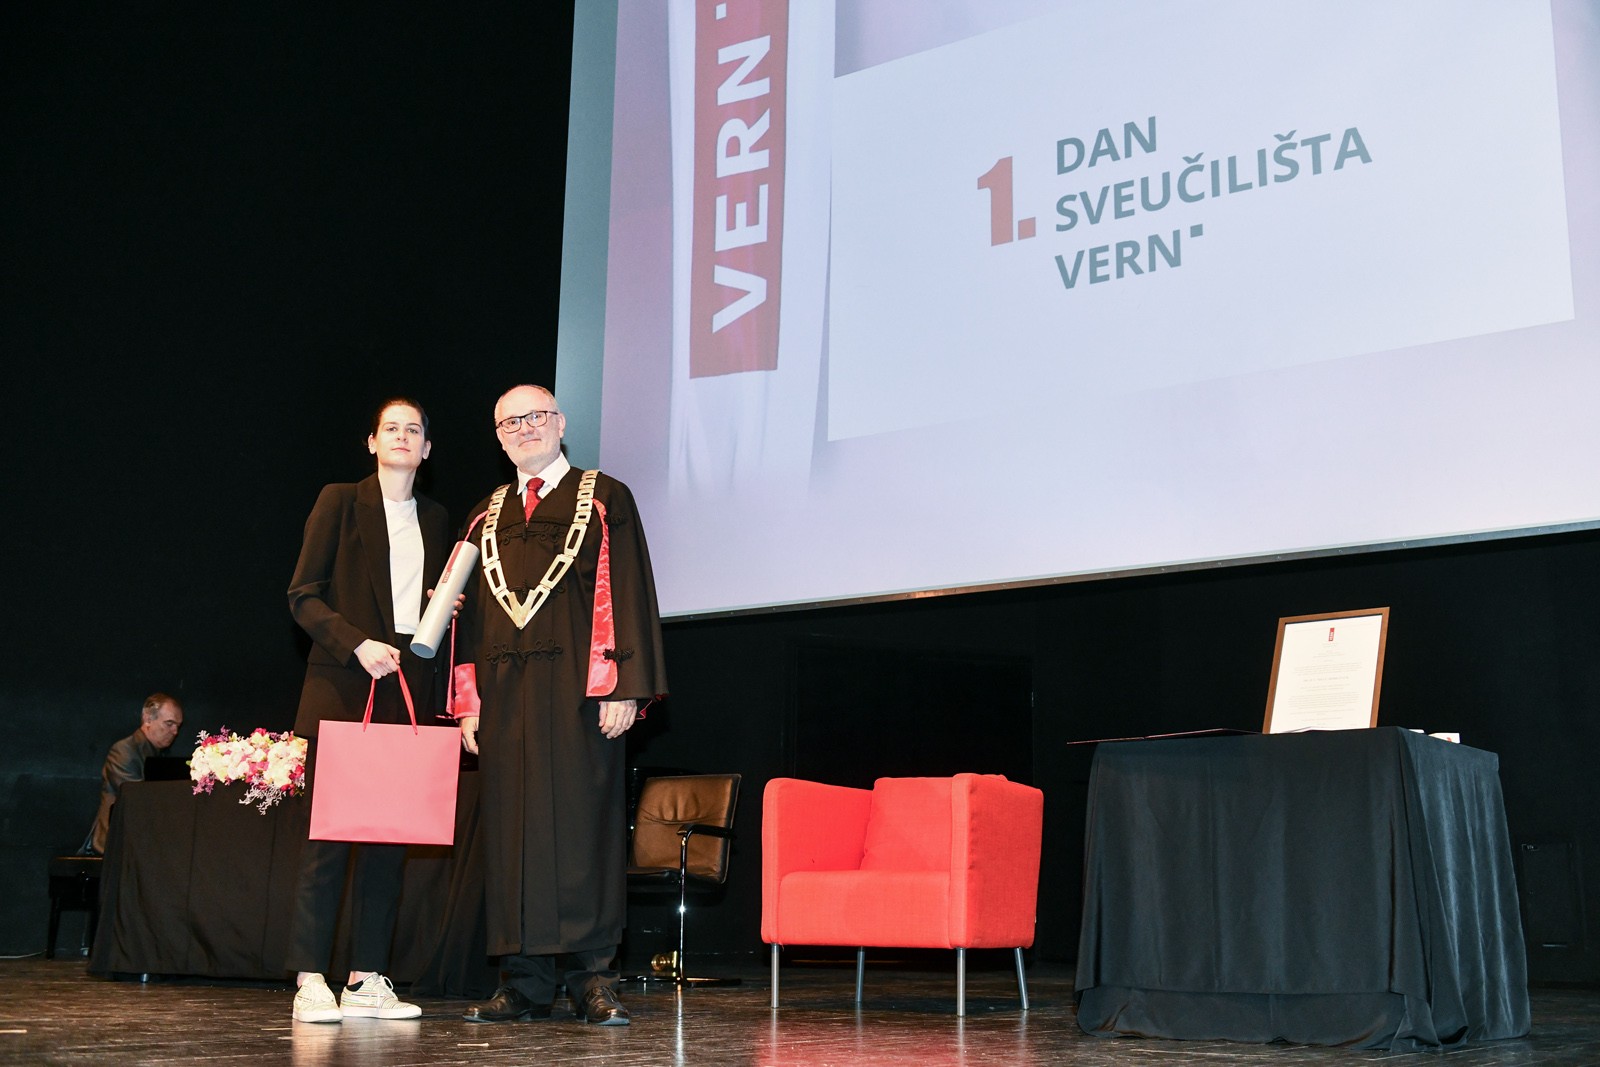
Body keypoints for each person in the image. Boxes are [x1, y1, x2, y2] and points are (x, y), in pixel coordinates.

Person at [455, 384, 667, 1027]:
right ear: (498, 438)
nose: (525, 428)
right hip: (505, 698)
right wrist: (468, 701)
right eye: (510, 422)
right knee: (512, 836)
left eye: (537, 416)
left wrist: (625, 685)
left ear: (561, 422)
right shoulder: (484, 515)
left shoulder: (604, 498)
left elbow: (629, 589)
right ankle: (523, 982)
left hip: (581, 694)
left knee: (583, 831)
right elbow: (467, 616)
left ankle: (592, 979)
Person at [284, 398, 451, 1024]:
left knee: (388, 844)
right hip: (346, 687)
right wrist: (356, 644)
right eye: (391, 428)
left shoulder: (438, 519)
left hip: (407, 689)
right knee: (328, 841)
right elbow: (303, 596)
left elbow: (428, 606)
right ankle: (310, 980)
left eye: (414, 430)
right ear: (373, 442)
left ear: (427, 449)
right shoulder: (339, 501)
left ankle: (366, 979)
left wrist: (445, 612)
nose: (402, 436)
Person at [82, 693, 184, 855]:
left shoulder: (154, 754)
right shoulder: (124, 750)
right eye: (169, 723)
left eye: (178, 725)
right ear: (148, 719)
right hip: (116, 845)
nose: (175, 731)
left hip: (134, 841)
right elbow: (138, 799)